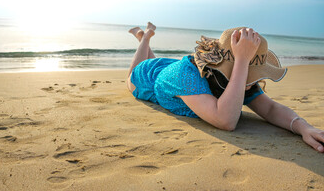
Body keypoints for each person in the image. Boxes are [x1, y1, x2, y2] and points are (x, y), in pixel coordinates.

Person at [127, 22, 324, 153]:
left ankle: (145, 39)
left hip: (169, 69)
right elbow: (226, 121)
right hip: (148, 77)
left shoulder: (234, 80)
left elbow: (271, 108)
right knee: (130, 76)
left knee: (159, 62)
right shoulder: (186, 76)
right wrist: (242, 60)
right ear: (230, 67)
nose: (253, 80)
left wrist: (303, 127)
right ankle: (143, 38)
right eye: (246, 68)